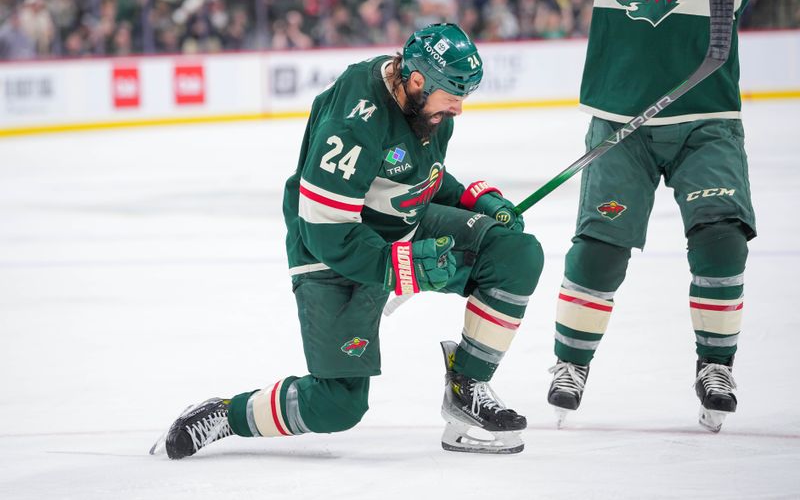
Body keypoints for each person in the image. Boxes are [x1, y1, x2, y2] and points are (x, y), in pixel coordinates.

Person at [154, 23, 544, 458]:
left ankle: (466, 385)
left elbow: (417, 174)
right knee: (337, 405)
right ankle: (227, 415)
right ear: (417, 80)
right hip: (330, 248)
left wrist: (475, 199)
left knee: (515, 254)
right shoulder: (357, 118)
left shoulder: (428, 107)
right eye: (453, 94)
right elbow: (325, 227)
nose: (458, 107)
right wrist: (403, 267)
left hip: (397, 229)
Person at [545, 0, 799, 433]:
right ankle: (571, 363)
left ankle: (715, 365)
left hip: (708, 123)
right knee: (600, 248)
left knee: (722, 238)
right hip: (621, 126)